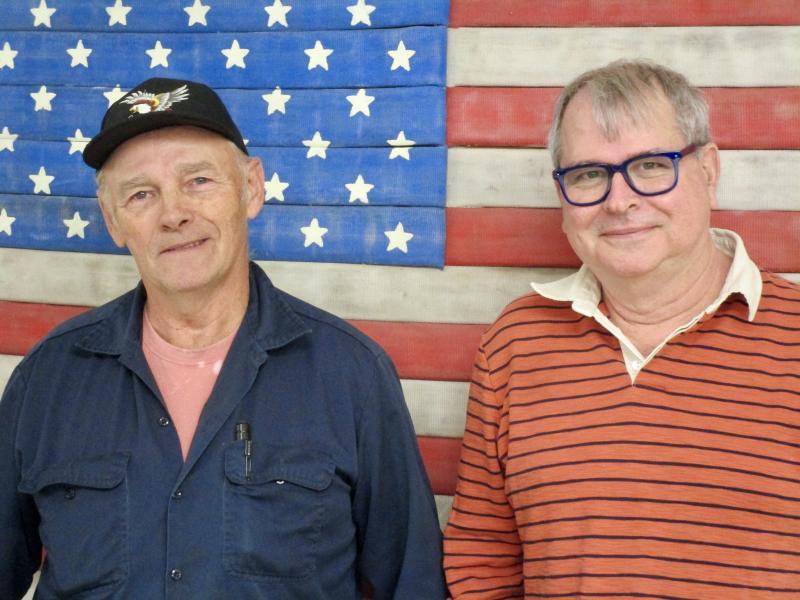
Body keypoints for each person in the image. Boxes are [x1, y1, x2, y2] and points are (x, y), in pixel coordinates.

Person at [0, 77, 447, 599]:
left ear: (251, 188)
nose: (174, 214)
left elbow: (414, 584)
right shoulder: (47, 380)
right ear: (112, 219)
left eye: (198, 181)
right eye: (141, 194)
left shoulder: (351, 374)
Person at [443, 60, 800, 598]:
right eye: (589, 174)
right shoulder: (515, 344)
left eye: (651, 165)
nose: (619, 200)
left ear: (708, 170)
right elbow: (482, 561)